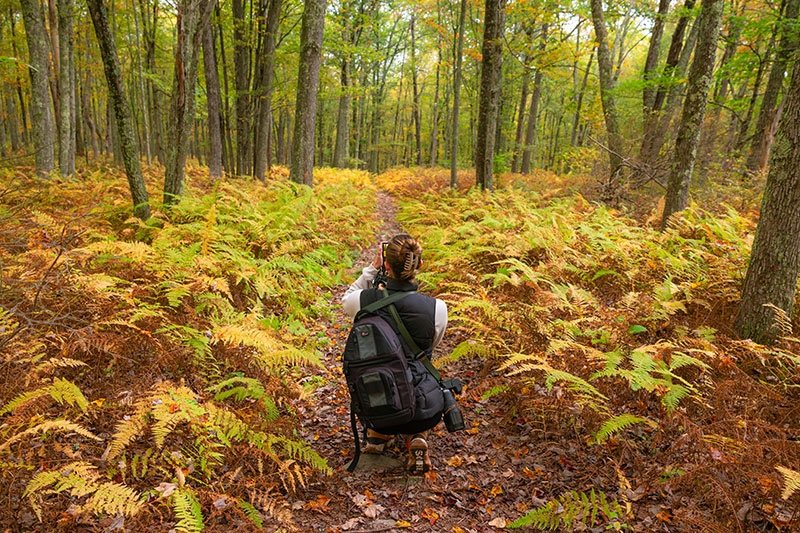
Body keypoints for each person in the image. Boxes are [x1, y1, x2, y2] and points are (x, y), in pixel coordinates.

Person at [342, 234, 448, 473]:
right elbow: (431, 346)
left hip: (376, 404)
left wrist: (372, 269)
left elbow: (346, 300)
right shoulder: (437, 308)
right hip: (424, 409)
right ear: (419, 265)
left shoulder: (365, 300)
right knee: (421, 369)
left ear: (386, 264)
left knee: (380, 383)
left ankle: (378, 435)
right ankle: (417, 435)